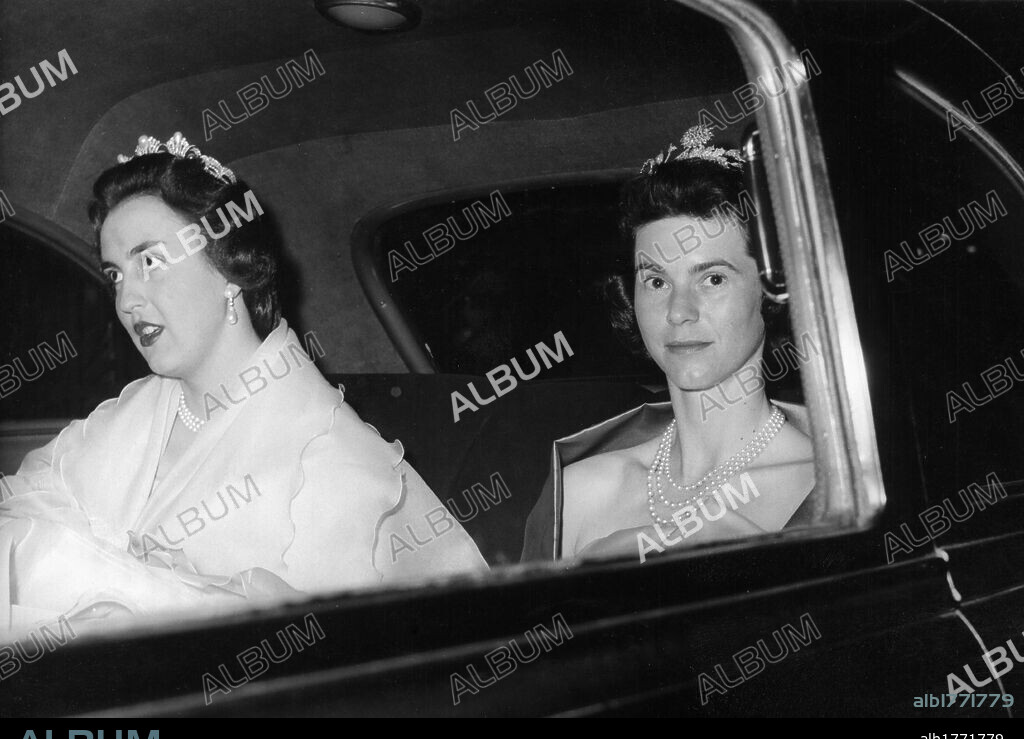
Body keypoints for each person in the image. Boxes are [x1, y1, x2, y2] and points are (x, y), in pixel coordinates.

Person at [0, 132, 487, 637]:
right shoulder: (131, 413)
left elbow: (313, 652)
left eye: (150, 262)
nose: (127, 301)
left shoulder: (325, 457)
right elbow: (30, 502)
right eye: (116, 274)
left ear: (230, 268)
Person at [521, 125, 815, 562]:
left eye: (713, 279)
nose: (679, 312)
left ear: (769, 292)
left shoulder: (829, 481)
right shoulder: (579, 493)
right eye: (657, 281)